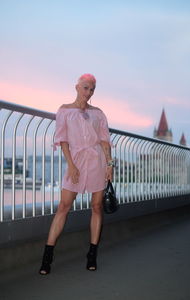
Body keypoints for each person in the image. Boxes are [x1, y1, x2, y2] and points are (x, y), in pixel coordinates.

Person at [39, 73, 114, 275]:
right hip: (76, 161)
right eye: (86, 88)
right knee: (63, 206)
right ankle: (47, 257)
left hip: (97, 161)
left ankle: (92, 255)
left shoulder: (98, 113)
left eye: (92, 89)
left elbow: (104, 140)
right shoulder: (64, 110)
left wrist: (109, 164)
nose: (88, 92)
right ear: (77, 87)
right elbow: (62, 139)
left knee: (97, 206)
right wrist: (70, 165)